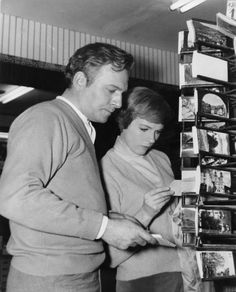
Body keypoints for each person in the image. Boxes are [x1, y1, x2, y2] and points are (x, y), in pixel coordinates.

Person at [0, 43, 157, 292]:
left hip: (74, 274)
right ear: (81, 80)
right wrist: (104, 227)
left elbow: (63, 195)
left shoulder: (79, 125)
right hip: (53, 279)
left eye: (122, 92)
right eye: (112, 90)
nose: (118, 102)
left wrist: (107, 218)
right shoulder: (46, 118)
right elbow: (16, 197)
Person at [101, 87, 202, 292]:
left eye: (158, 131)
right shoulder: (105, 168)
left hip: (185, 269)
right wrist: (147, 212)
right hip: (143, 278)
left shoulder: (160, 158)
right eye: (144, 129)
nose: (152, 139)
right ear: (123, 122)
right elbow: (110, 256)